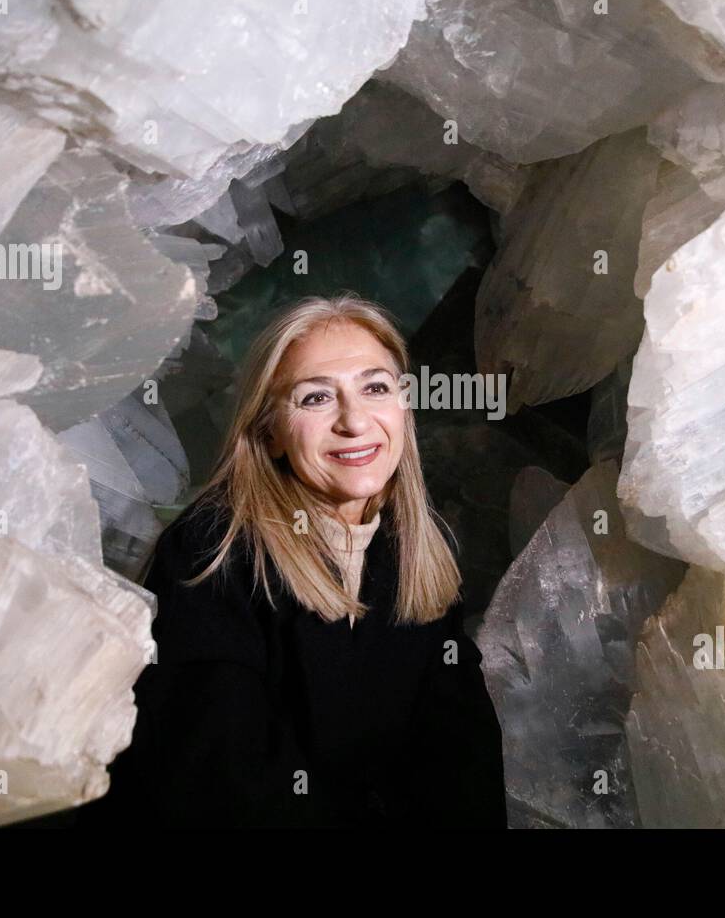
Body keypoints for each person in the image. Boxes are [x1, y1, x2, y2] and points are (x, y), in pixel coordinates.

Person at [78, 294, 507, 828]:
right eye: (315, 398)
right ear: (271, 434)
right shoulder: (212, 551)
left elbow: (460, 754)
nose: (354, 421)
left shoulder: (412, 548)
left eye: (375, 388)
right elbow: (220, 786)